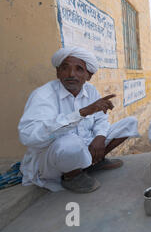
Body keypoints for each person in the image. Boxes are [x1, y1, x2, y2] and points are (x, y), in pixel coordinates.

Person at [18, 47, 139, 193]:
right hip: (52, 158)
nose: (71, 74)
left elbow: (101, 119)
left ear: (89, 76)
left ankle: (94, 162)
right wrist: (81, 113)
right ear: (58, 72)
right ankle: (71, 176)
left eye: (79, 69)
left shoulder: (90, 90)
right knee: (70, 142)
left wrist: (100, 137)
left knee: (130, 123)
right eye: (65, 68)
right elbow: (29, 137)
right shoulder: (43, 95)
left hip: (85, 144)